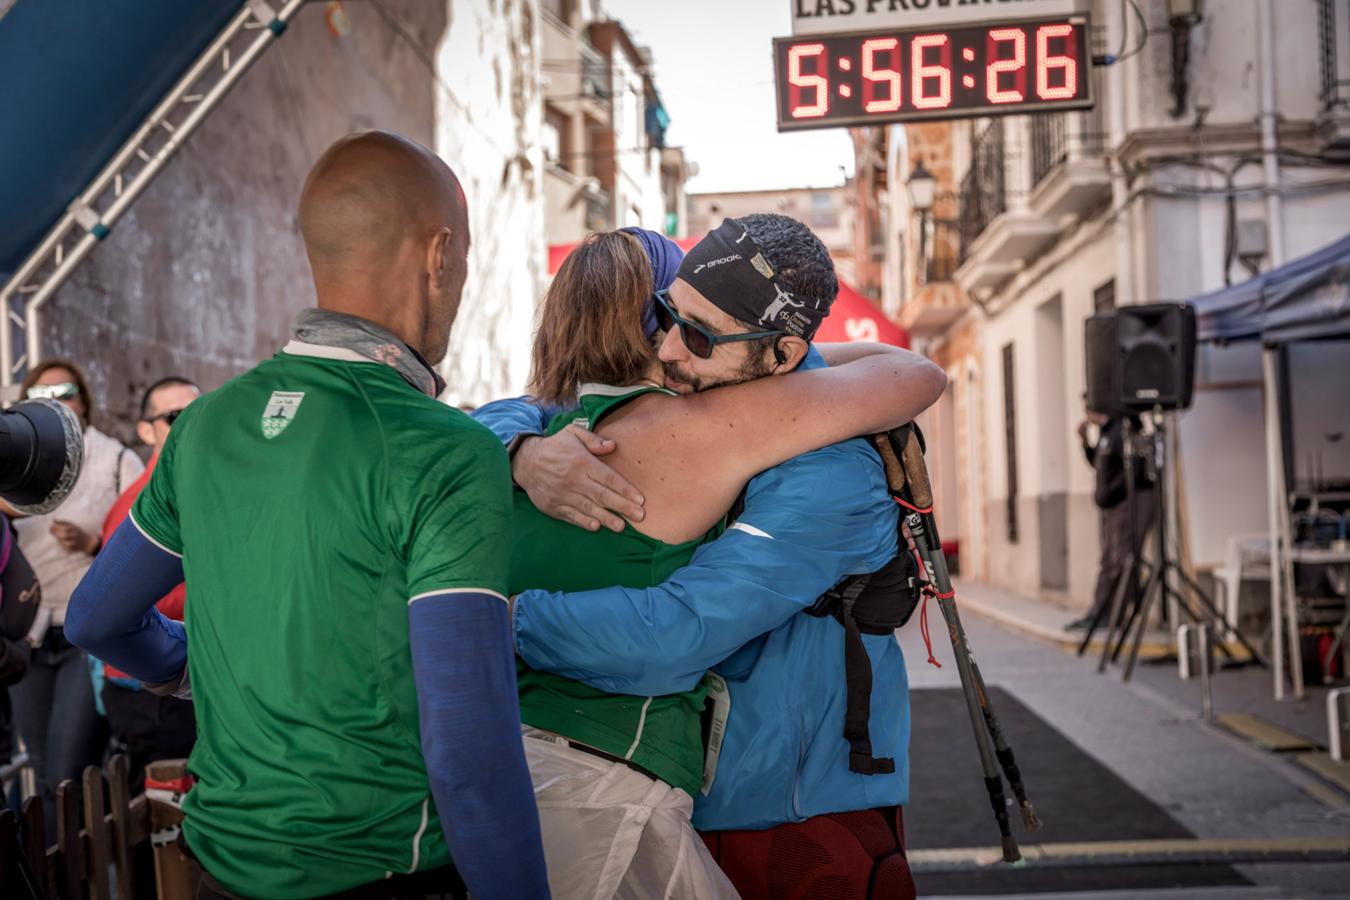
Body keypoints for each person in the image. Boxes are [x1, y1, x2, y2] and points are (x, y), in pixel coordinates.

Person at [66, 131, 548, 899]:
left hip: (220, 865)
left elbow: (95, 619)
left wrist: (190, 668)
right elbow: (467, 747)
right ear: (439, 253)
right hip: (381, 869)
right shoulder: (447, 450)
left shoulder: (204, 426)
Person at [478, 214, 936, 899]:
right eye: (662, 316)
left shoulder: (831, 472)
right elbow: (531, 406)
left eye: (695, 336)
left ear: (780, 357)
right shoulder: (700, 399)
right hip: (707, 803)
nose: (664, 349)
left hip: (791, 814)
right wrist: (521, 449)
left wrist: (497, 622)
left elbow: (680, 631)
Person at [9, 358, 143, 836]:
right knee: (42, 772)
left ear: (83, 398)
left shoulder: (117, 459)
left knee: (71, 770)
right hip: (31, 629)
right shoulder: (13, 457)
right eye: (41, 394)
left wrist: (93, 544)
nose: (55, 400)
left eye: (64, 390)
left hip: (87, 631)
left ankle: (91, 877)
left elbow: (150, 542)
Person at [95, 376, 201, 791]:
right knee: (163, 824)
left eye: (197, 413)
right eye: (175, 417)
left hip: (183, 678)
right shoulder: (140, 503)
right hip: (153, 690)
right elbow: (129, 604)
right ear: (146, 430)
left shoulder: (197, 489)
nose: (190, 424)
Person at [1066, 406, 1156, 632]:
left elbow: (1132, 469)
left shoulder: (1122, 428)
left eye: (1086, 406)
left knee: (1119, 560)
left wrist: (1111, 496)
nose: (1084, 412)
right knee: (1108, 561)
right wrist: (1085, 442)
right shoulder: (1107, 431)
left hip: (1123, 504)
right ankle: (1099, 612)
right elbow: (1098, 463)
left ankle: (1112, 614)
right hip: (1111, 506)